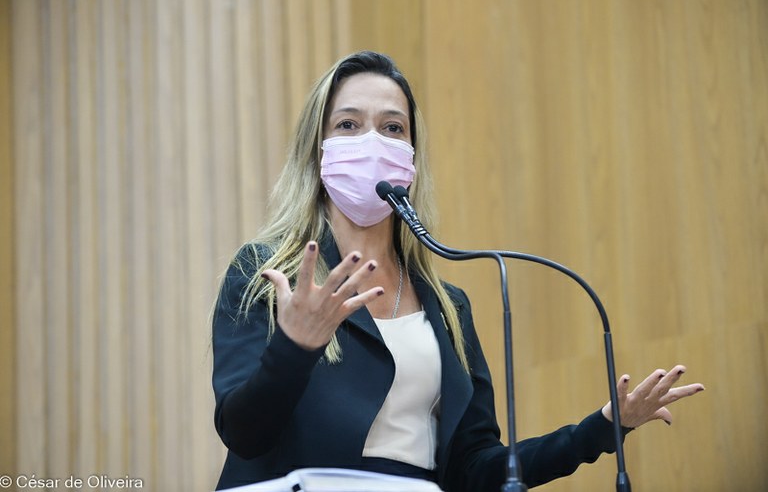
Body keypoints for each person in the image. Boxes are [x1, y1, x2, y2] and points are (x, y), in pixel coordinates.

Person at [211, 51, 704, 491]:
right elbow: (244, 434)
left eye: (392, 128)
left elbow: (476, 469)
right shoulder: (265, 274)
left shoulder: (448, 307)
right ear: (316, 149)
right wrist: (295, 347)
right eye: (348, 124)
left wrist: (600, 428)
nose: (372, 142)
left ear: (412, 157)